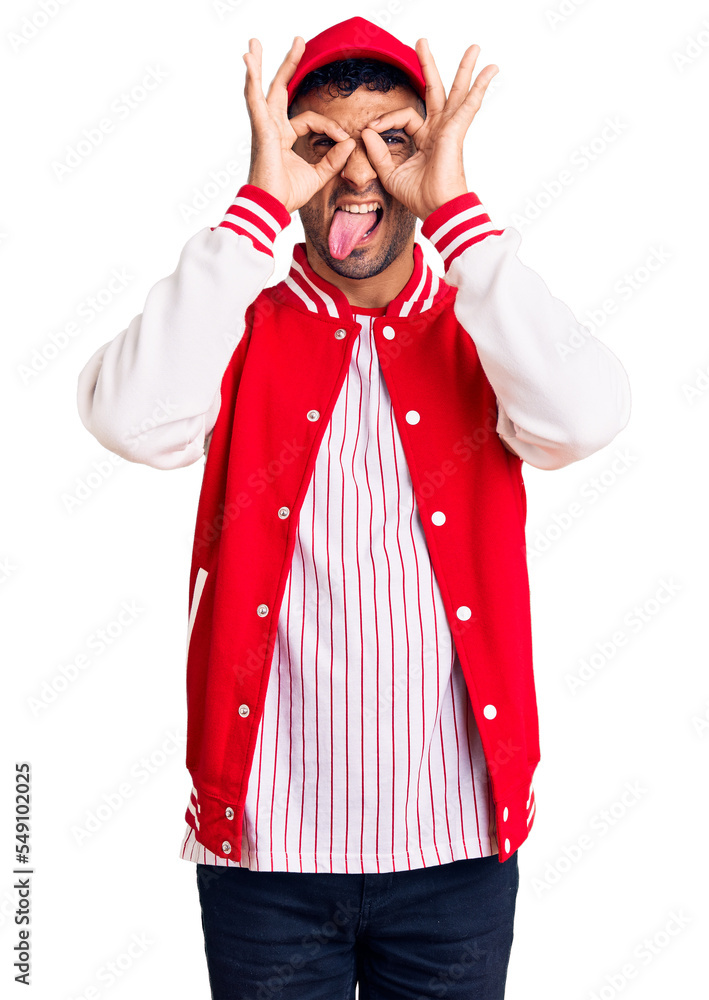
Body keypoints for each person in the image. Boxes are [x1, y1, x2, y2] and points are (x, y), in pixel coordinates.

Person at [76, 15, 631, 999]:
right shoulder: (240, 315)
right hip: (268, 861)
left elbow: (586, 416)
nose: (361, 174)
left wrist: (454, 206)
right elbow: (129, 419)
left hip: (453, 853)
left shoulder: (481, 322)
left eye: (396, 140)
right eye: (321, 144)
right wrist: (255, 207)